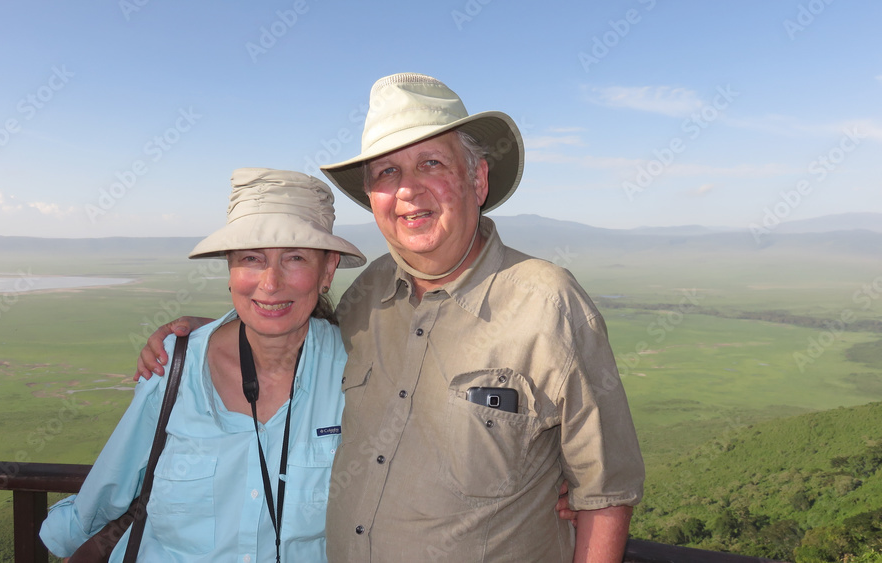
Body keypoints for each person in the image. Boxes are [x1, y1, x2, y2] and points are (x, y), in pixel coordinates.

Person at [140, 73, 645, 562]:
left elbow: (605, 493)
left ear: (478, 178)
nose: (407, 190)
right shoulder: (367, 295)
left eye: (430, 164)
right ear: (374, 197)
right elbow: (295, 337)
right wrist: (212, 330)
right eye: (387, 172)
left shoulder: (549, 304)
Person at [40, 168, 366, 562]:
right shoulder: (174, 368)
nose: (270, 282)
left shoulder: (357, 372)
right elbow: (112, 482)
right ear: (230, 270)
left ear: (327, 271)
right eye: (252, 258)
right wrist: (62, 541)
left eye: (294, 258)